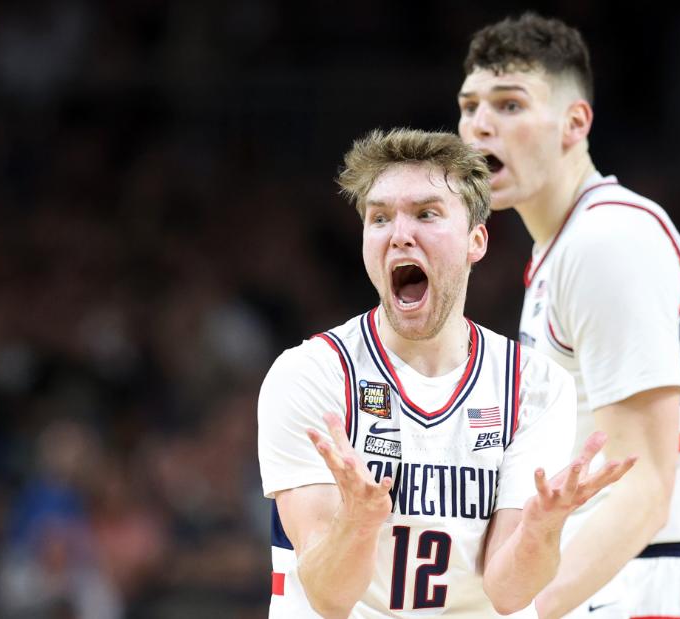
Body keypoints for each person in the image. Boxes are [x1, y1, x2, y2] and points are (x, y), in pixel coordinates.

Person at [257, 128, 636, 619]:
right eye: (379, 218)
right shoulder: (311, 374)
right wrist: (358, 521)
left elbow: (509, 592)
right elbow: (329, 597)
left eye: (426, 213)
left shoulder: (534, 386)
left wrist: (543, 530)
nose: (400, 234)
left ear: (476, 239)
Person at [456, 13, 680, 619]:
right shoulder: (564, 248)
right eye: (469, 106)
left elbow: (641, 487)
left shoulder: (606, 240)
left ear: (574, 123)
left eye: (509, 105)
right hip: (625, 577)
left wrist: (522, 610)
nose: (480, 125)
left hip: (653, 582)